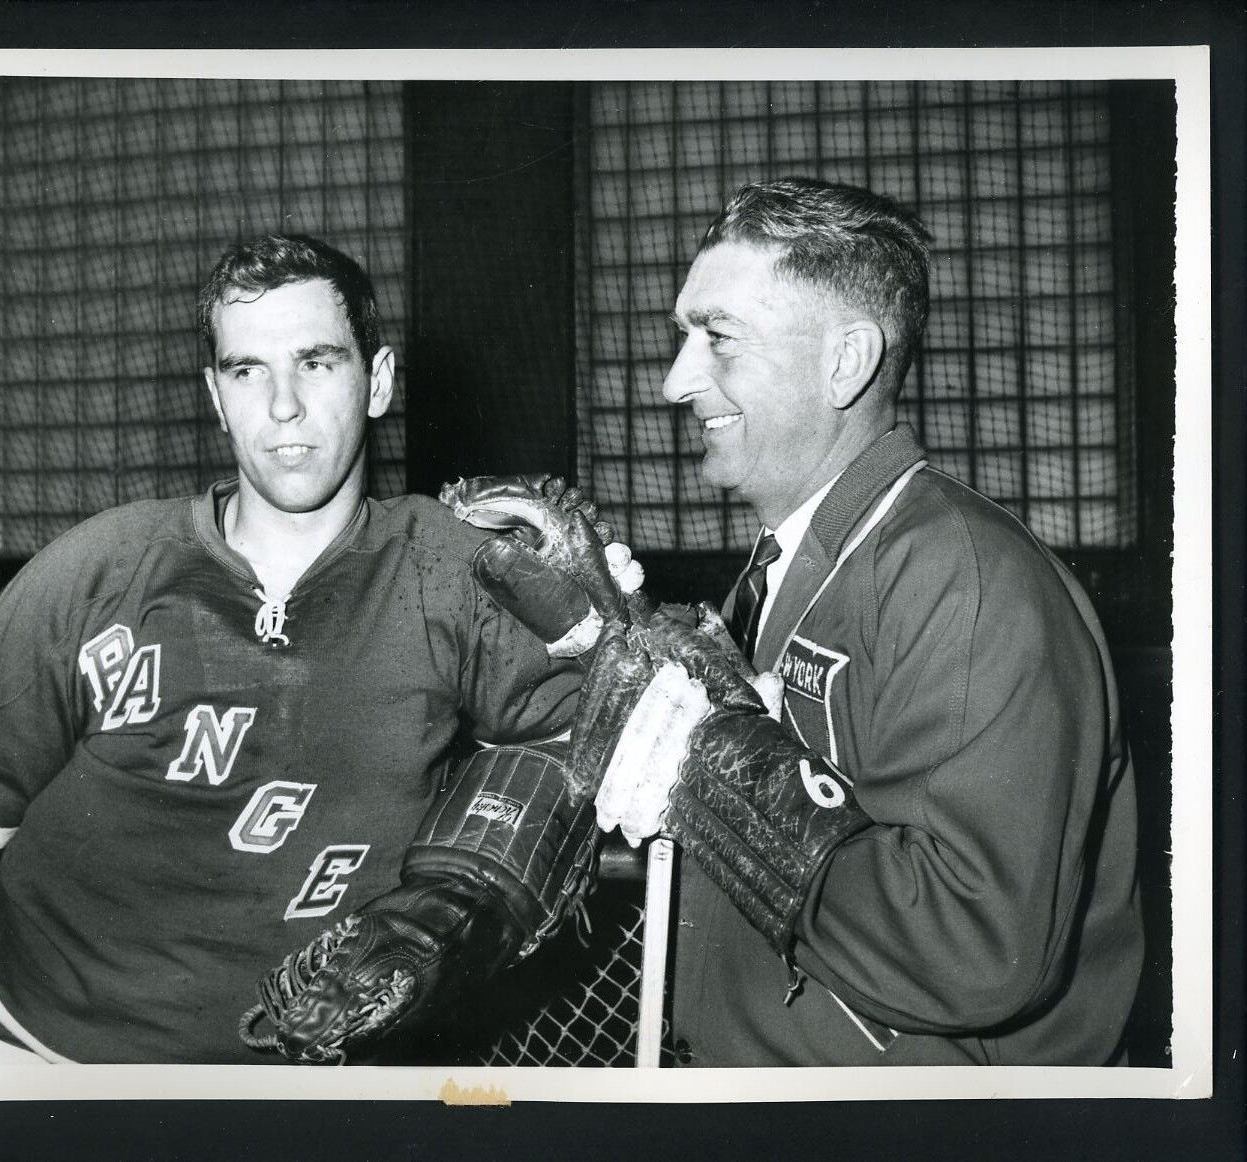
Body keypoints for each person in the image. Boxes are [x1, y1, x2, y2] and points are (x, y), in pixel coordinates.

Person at [480, 177, 1143, 1066]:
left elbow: (979, 950)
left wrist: (713, 773)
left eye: (717, 338)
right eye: (684, 338)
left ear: (846, 361)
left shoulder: (964, 580)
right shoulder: (792, 560)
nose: (678, 380)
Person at [0, 235, 599, 1065]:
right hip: (24, 1057)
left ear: (375, 382)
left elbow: (594, 732)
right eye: (246, 371)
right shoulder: (97, 572)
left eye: (316, 361)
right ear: (216, 397)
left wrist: (605, 624)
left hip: (291, 1095)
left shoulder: (453, 575)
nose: (283, 405)